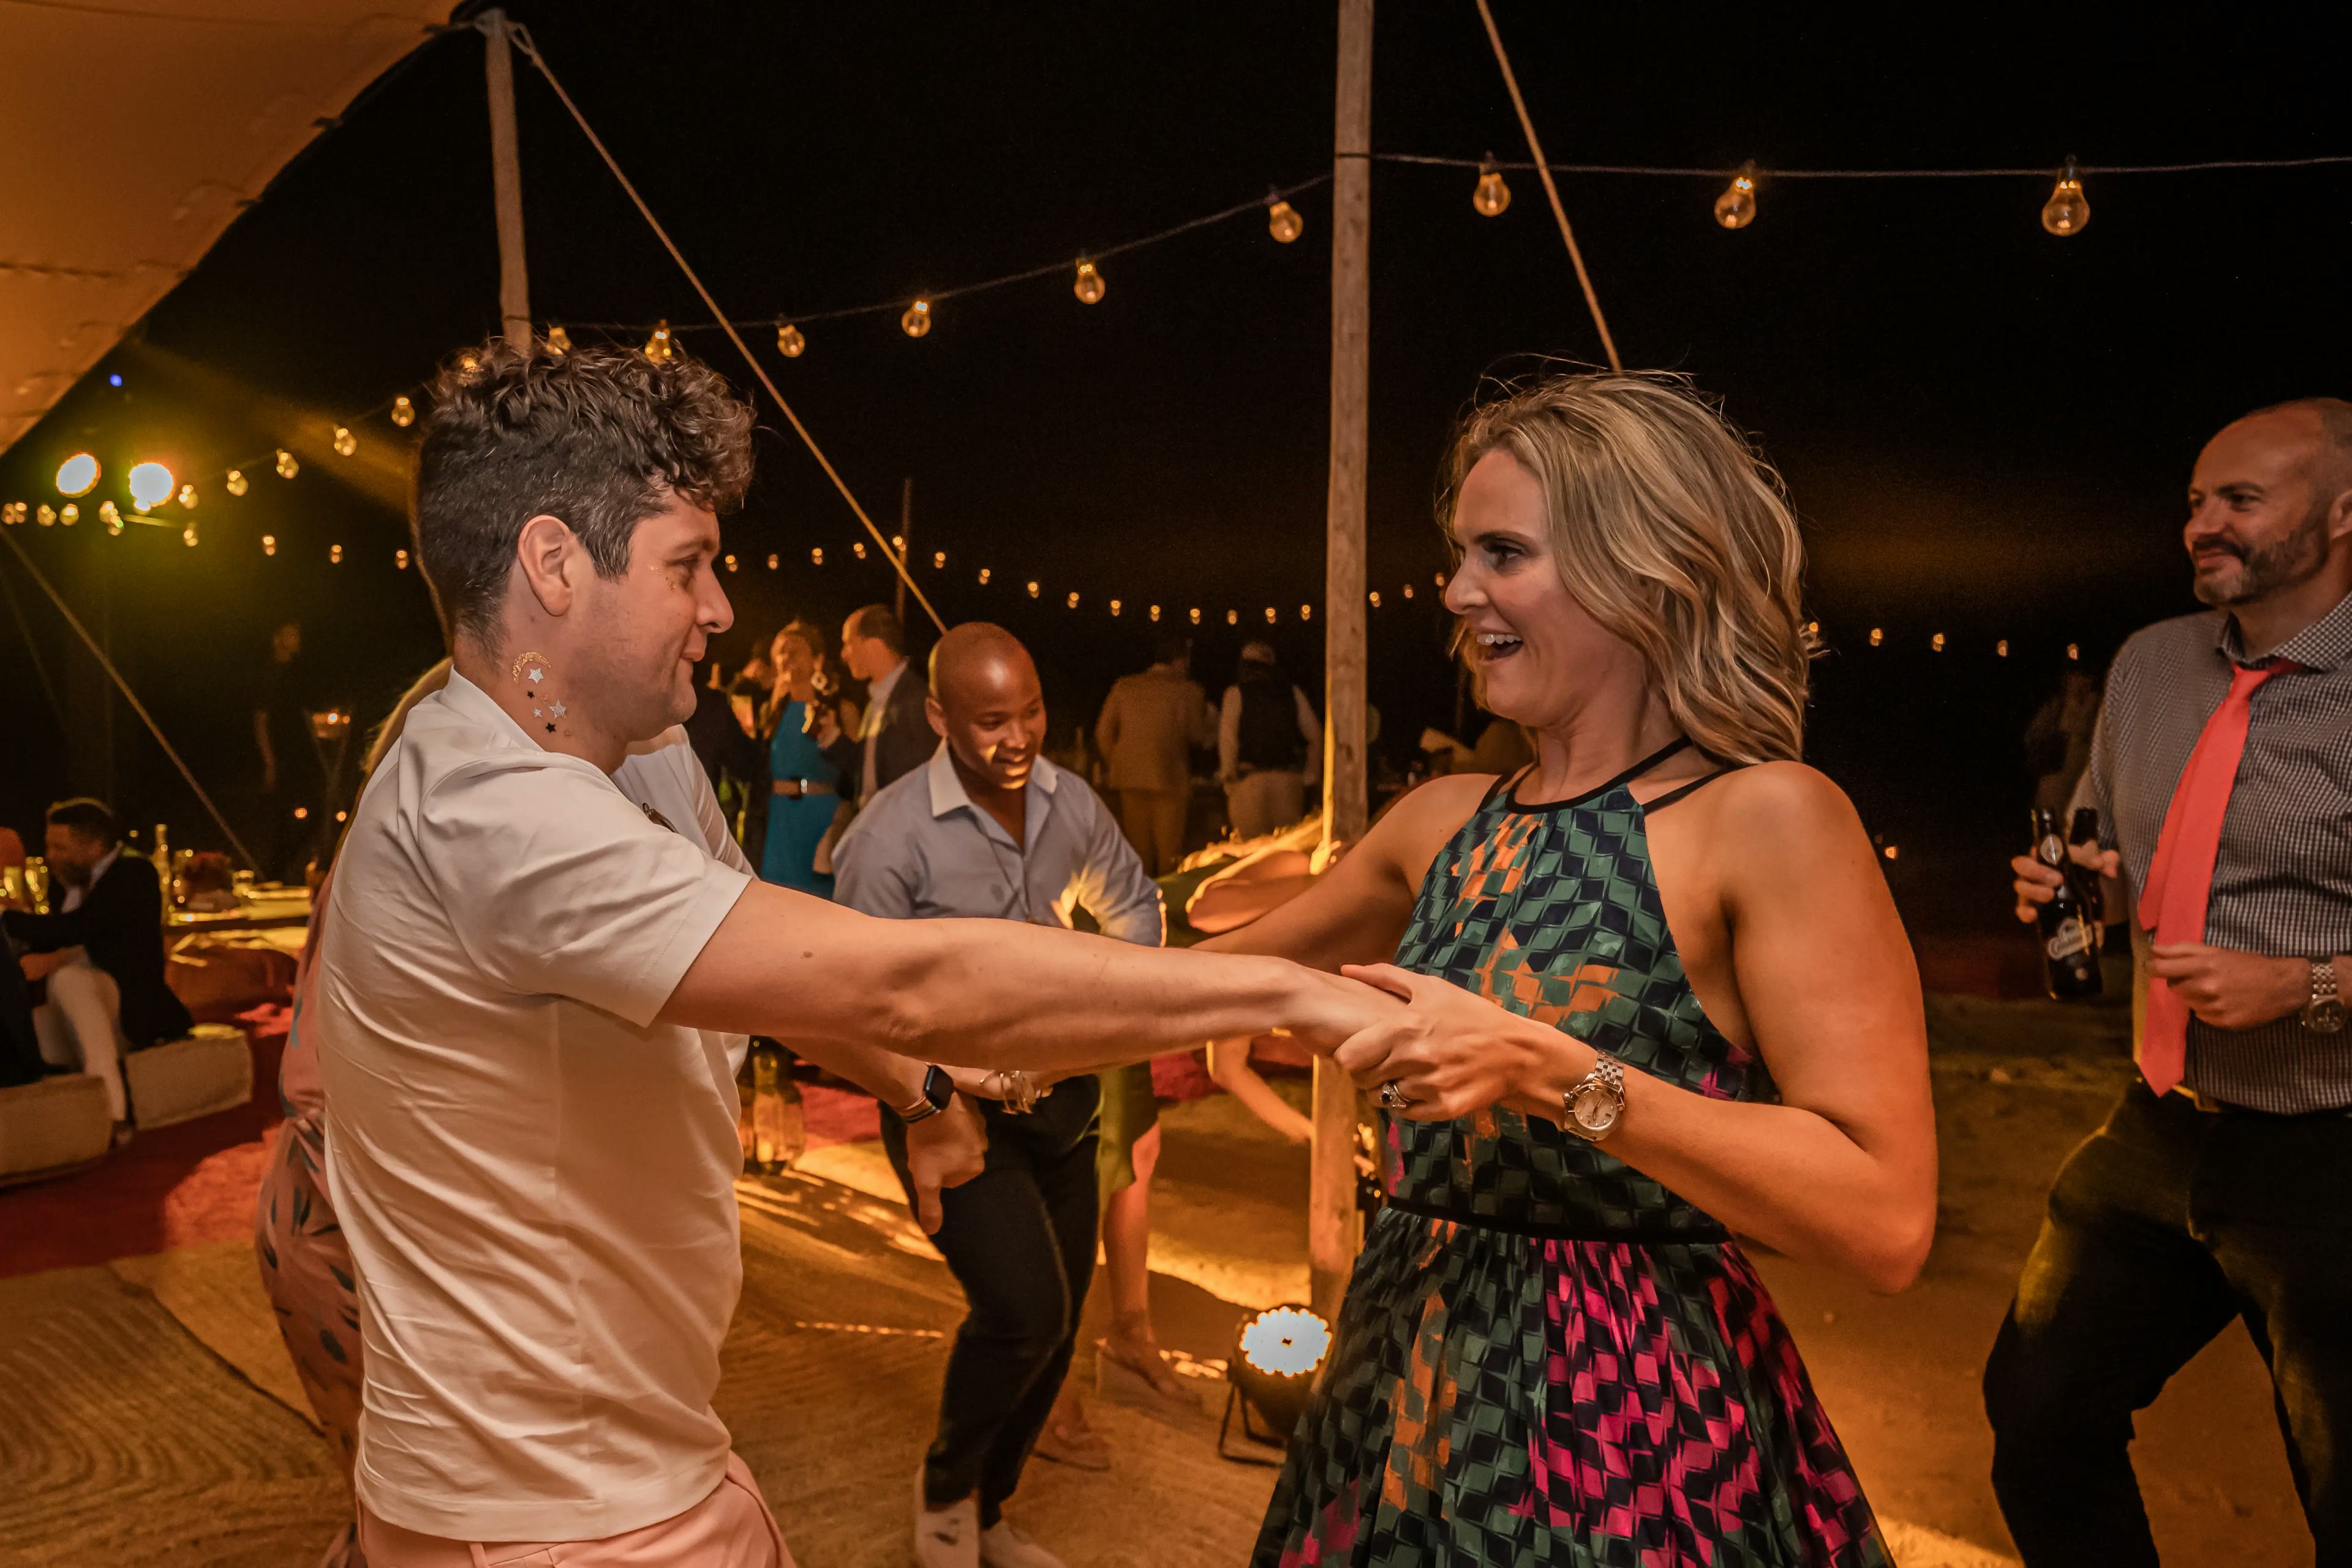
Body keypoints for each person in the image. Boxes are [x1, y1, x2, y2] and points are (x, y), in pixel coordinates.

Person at [308, 340, 1397, 1568]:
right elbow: (904, 973)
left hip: (645, 1453)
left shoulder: (634, 749)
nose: (721, 607)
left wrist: (921, 1081)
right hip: (550, 1512)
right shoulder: (488, 812)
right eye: (688, 566)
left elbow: (773, 971)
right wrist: (1299, 991)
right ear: (554, 563)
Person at [1197, 373, 1933, 1566]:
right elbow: (1204, 975)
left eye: (1502, 552)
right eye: (1458, 551)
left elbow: (1885, 1215)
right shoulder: (1441, 818)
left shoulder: (1767, 818)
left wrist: (1552, 1070)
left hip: (1632, 1436)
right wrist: (972, 1019)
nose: (1454, 590)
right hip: (1395, 1392)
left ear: (1642, 575)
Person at [1989, 397, 2352, 1568]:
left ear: (2343, 513)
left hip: (2330, 1151)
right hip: (2158, 1125)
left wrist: (2306, 985)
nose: (2202, 523)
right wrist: (2081, 891)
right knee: (2039, 1412)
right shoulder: (2150, 667)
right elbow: (2125, 858)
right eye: (2196, 500)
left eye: (2240, 500)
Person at [835, 622, 1161, 1568]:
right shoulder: (889, 835)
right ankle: (943, 1491)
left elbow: (1136, 904)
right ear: (937, 716)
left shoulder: (1072, 803)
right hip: (953, 1113)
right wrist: (939, 1096)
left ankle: (990, 1513)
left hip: (1065, 1107)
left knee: (1059, 1326)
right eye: (990, 721)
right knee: (1018, 1310)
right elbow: (854, 1004)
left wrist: (1109, 1005)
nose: (1017, 739)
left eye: (1031, 714)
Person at [3, 797, 194, 1134]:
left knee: (69, 980)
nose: (51, 856)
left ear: (93, 845)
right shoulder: (69, 879)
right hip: (89, 1008)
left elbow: (79, 928)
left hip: (130, 1008)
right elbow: (59, 935)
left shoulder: (134, 873)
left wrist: (8, 919)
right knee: (26, 1031)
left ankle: (113, 1113)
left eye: (60, 847)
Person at [1094, 630, 1213, 875]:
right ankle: (1167, 907)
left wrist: (1116, 763)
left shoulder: (1124, 686)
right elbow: (1198, 736)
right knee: (1169, 857)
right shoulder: (1189, 691)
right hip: (1169, 779)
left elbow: (1103, 732)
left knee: (1139, 856)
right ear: (1181, 660)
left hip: (1130, 779)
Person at [760, 621, 858, 897]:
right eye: (780, 652)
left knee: (818, 902)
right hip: (779, 820)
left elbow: (858, 771)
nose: (786, 658)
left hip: (822, 817)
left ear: (818, 659)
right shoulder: (771, 711)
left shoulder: (841, 709)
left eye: (795, 651)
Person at [1217, 641, 1320, 840]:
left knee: (1250, 852)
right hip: (1288, 781)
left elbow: (1228, 739)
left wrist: (1228, 777)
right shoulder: (1293, 692)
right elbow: (1315, 735)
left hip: (1250, 780)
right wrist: (1310, 776)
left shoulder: (1236, 693)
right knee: (1287, 851)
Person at [254, 619, 323, 883]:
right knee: (281, 817)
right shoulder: (271, 674)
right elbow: (260, 720)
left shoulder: (298, 672)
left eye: (297, 634)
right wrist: (270, 761)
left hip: (302, 753)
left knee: (316, 810)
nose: (296, 639)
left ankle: (279, 869)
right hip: (282, 754)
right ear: (278, 639)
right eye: (290, 634)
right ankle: (273, 874)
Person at [843, 603, 932, 804]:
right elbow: (867, 769)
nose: (844, 654)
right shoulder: (875, 702)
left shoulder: (917, 701)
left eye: (849, 643)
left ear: (873, 645)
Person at [2023, 663, 2102, 814]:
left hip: (2083, 778)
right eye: (2077, 676)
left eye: (2087, 677)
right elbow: (2033, 737)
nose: (2082, 682)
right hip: (2056, 776)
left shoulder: (2097, 706)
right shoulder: (2057, 707)